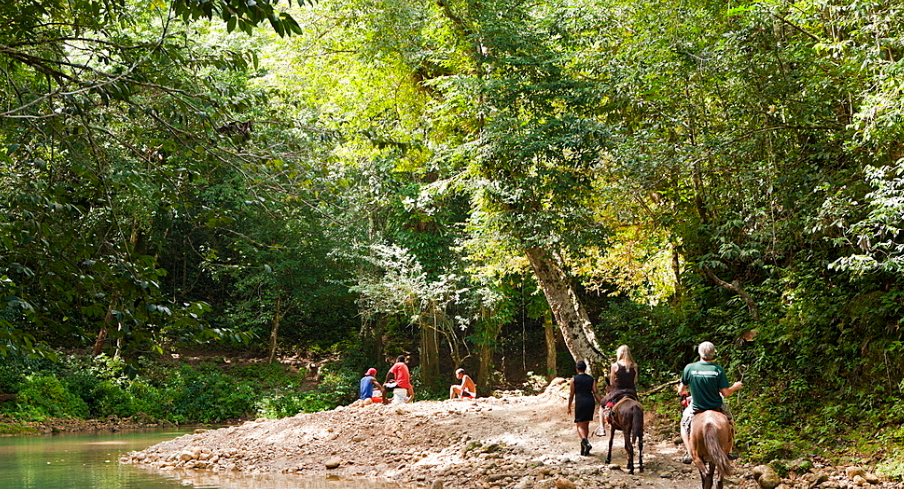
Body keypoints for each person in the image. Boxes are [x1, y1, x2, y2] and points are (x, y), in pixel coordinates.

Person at [678, 341, 743, 464]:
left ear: (699, 353)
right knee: (730, 421)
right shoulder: (718, 370)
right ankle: (728, 451)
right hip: (716, 406)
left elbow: (681, 390)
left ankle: (689, 452)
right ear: (713, 354)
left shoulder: (689, 368)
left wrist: (686, 392)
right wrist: (735, 387)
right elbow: (725, 393)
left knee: (684, 425)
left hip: (697, 407)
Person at [599, 344, 639, 434]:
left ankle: (601, 428)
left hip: (618, 391)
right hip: (632, 392)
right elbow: (635, 380)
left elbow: (612, 382)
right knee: (638, 406)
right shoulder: (634, 365)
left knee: (602, 405)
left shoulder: (615, 365)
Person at [567, 360, 602, 456]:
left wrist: (569, 406)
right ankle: (584, 449)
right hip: (590, 402)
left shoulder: (574, 379)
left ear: (577, 369)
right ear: (585, 368)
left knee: (579, 424)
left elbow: (571, 394)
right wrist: (602, 402)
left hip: (580, 402)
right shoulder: (591, 379)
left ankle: (585, 442)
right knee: (586, 423)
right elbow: (595, 392)